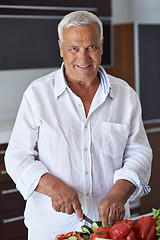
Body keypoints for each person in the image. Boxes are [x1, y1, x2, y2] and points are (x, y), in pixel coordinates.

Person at [5, 10, 152, 240]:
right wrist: (53, 187)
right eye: (74, 48)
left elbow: (139, 152)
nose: (83, 59)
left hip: (111, 229)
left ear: (102, 46)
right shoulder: (37, 94)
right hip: (52, 229)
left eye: (91, 47)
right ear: (61, 48)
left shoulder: (126, 95)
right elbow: (16, 156)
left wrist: (118, 194)